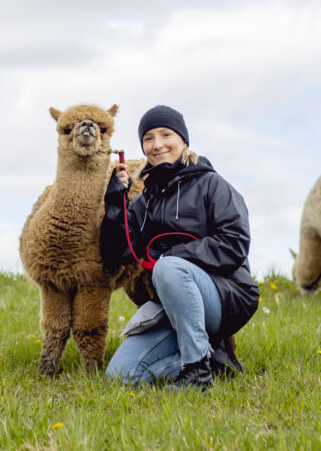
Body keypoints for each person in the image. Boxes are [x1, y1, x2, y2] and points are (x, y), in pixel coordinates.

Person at [101, 105, 259, 390]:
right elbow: (118, 255)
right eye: (148, 138)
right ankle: (211, 359)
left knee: (169, 266)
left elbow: (235, 243)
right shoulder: (145, 202)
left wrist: (172, 258)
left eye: (166, 134)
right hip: (173, 299)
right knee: (121, 375)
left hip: (227, 294)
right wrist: (115, 205)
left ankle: (196, 373)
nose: (157, 144)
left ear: (183, 141)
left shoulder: (212, 184)